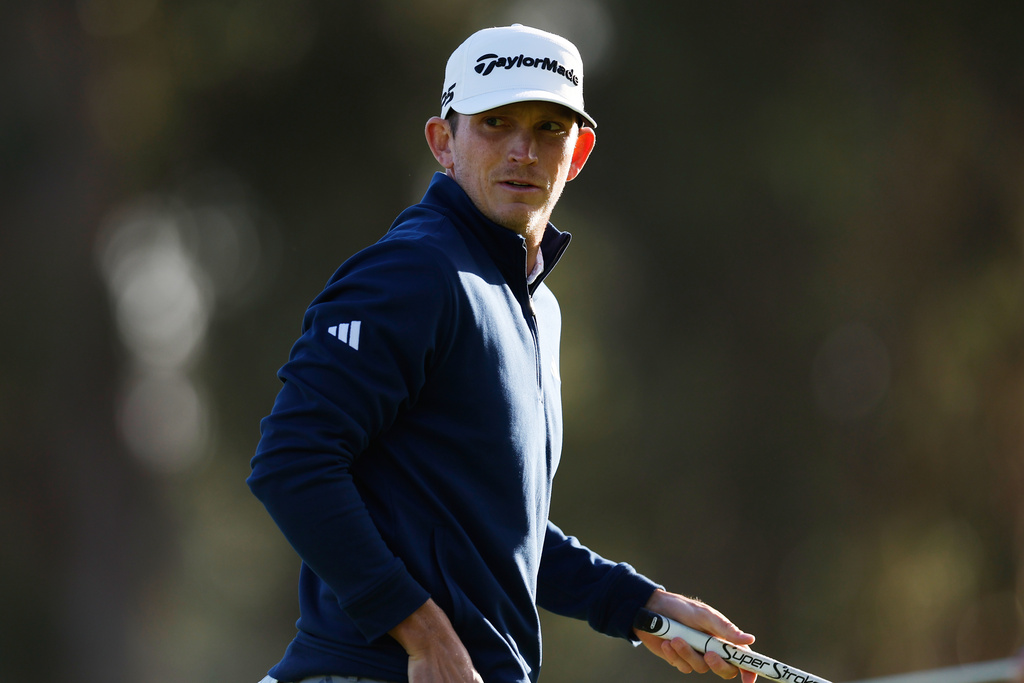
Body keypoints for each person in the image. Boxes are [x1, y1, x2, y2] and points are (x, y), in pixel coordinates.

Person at [248, 24, 757, 683]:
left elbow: (490, 533)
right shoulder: (415, 270)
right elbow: (291, 460)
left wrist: (641, 604)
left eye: (550, 127)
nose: (523, 150)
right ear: (443, 141)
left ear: (578, 152)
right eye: (495, 122)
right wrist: (423, 633)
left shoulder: (536, 309)